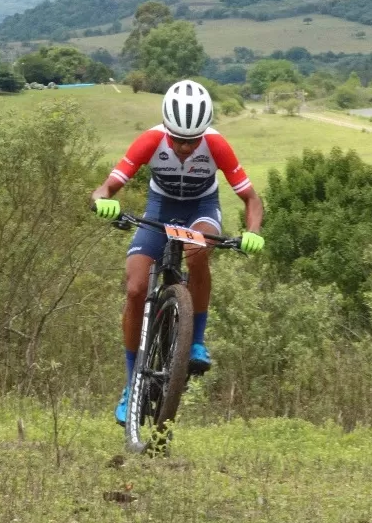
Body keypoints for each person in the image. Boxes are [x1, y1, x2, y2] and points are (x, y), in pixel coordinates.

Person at [90, 79, 265, 424]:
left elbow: (251, 198)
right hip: (160, 208)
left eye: (192, 140)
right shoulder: (151, 140)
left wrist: (254, 232)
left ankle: (195, 341)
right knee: (136, 288)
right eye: (178, 139)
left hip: (202, 209)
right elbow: (108, 186)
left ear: (204, 132)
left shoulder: (215, 145)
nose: (185, 148)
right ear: (167, 129)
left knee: (196, 251)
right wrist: (102, 201)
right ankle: (132, 387)